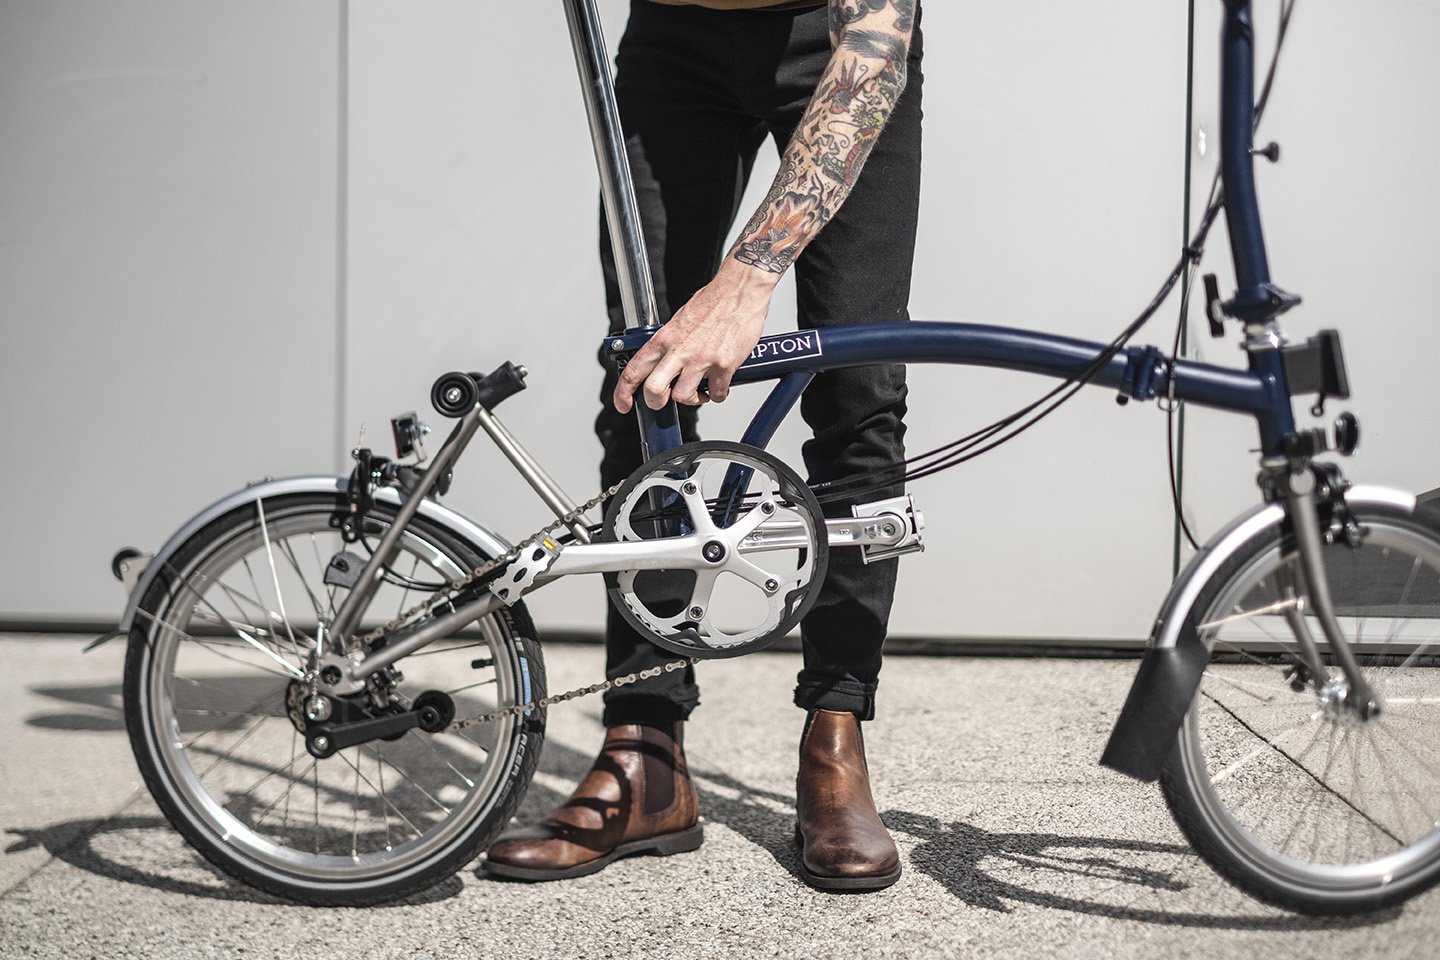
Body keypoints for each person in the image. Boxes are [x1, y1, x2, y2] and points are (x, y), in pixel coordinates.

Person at [484, 0, 922, 892]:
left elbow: (879, 32)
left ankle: (836, 738)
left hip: (840, 42)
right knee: (643, 391)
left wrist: (749, 275)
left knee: (859, 391)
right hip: (673, 41)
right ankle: (645, 751)